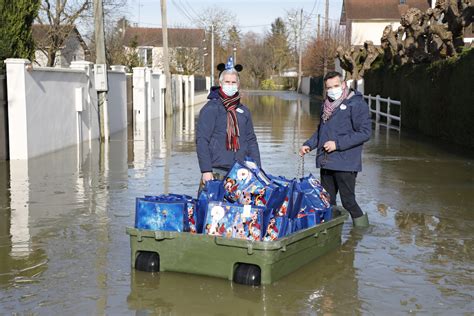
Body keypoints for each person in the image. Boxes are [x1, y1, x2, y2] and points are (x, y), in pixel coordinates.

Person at [299, 71, 371, 227]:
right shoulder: (326, 106)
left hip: (346, 163)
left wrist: (337, 144)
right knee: (326, 201)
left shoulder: (356, 104)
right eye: (329, 87)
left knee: (348, 201)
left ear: (343, 85)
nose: (332, 90)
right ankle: (330, 232)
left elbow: (365, 133)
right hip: (327, 162)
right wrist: (308, 145)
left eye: (336, 86)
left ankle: (362, 232)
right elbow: (321, 131)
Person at [196, 57, 261, 185]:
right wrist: (206, 170)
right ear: (221, 84)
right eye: (227, 82)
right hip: (216, 171)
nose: (230, 85)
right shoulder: (211, 109)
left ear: (238, 84)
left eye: (233, 82)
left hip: (240, 171)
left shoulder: (244, 111)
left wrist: (257, 169)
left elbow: (251, 140)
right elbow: (202, 140)